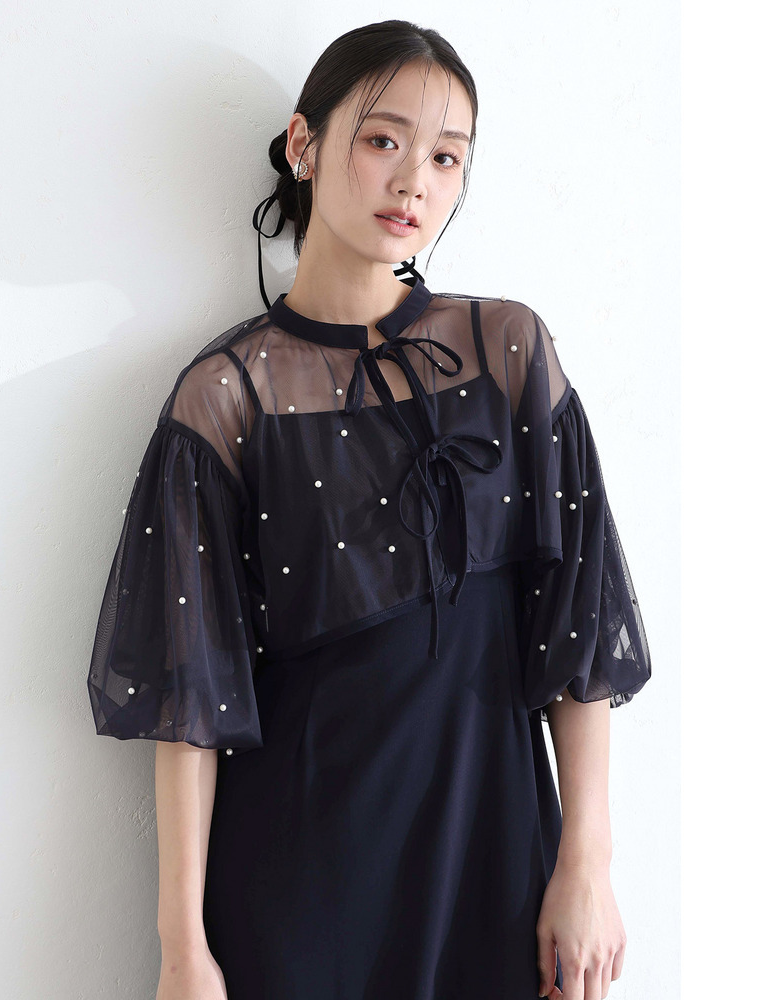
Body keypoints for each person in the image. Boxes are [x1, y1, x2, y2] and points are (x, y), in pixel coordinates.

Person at [87, 19, 651, 1000]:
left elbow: (576, 628)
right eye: (384, 140)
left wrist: (587, 867)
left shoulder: (508, 351)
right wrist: (184, 950)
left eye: (446, 157)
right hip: (300, 875)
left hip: (492, 852)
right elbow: (193, 699)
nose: (414, 182)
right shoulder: (228, 396)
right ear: (303, 145)